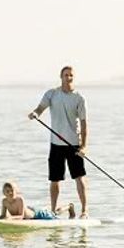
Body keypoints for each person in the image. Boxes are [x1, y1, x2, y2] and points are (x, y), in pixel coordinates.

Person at [28, 66, 90, 217]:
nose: (68, 78)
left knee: (79, 178)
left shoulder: (79, 98)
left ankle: (84, 210)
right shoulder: (52, 94)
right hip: (56, 144)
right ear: (60, 77)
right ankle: (53, 210)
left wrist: (83, 147)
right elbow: (40, 108)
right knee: (55, 180)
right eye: (66, 75)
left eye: (71, 76)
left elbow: (84, 123)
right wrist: (35, 114)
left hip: (73, 145)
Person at [0, 181, 75, 220]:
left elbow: (21, 216)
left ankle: (69, 207)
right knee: (52, 212)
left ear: (16, 191)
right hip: (29, 210)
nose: (10, 193)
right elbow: (3, 215)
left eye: (12, 190)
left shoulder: (19, 200)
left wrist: (10, 218)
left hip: (37, 215)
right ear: (4, 193)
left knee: (54, 214)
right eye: (7, 191)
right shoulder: (4, 201)